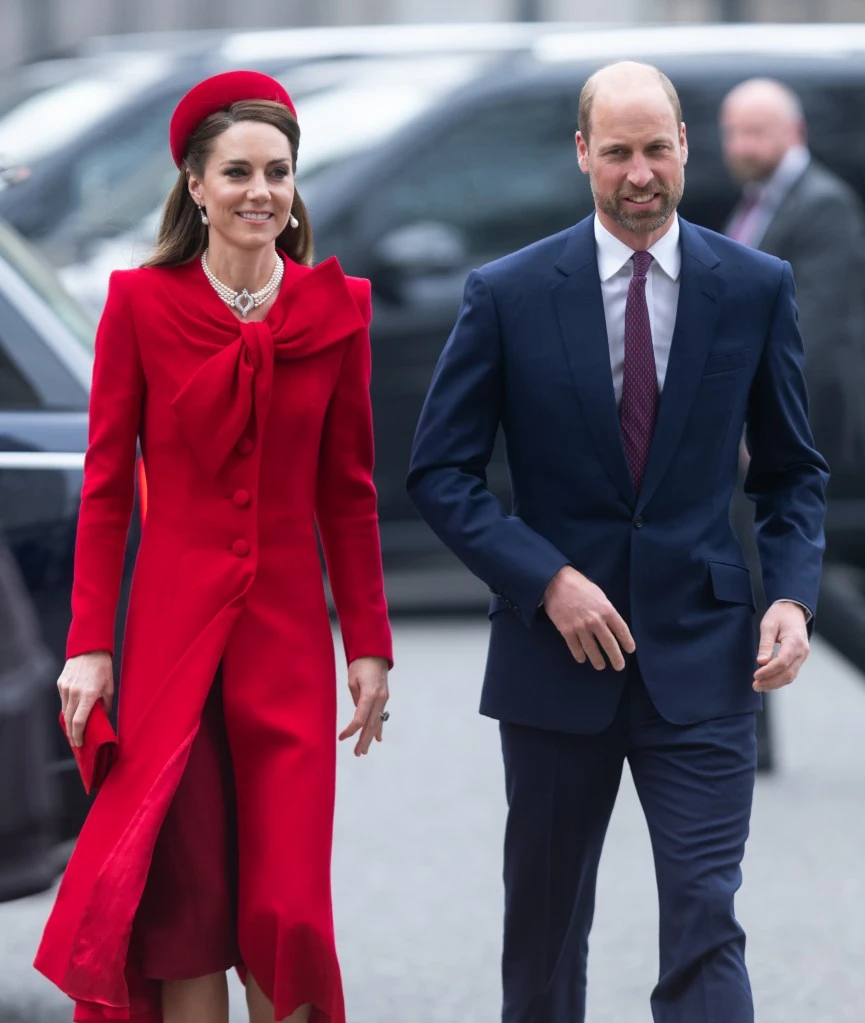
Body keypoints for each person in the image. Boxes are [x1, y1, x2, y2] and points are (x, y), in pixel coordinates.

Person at [407, 61, 828, 1023]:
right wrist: (544, 578)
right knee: (546, 930)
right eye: (616, 153)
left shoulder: (754, 286)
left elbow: (792, 471)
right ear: (581, 156)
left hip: (704, 653)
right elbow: (440, 473)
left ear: (685, 145)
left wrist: (791, 597)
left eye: (655, 149)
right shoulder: (506, 293)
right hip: (554, 659)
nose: (638, 173)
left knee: (704, 917)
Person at [34, 71, 393, 1023]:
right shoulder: (138, 306)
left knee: (286, 906)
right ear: (194, 184)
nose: (259, 192)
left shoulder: (338, 310)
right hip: (168, 646)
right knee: (186, 905)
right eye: (236, 172)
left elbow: (347, 496)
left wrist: (367, 644)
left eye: (277, 172)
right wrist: (87, 645)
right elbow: (107, 491)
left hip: (283, 649)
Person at [721, 77, 865, 488]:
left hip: (804, 424)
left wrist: (766, 420)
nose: (740, 146)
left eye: (756, 132)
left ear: (795, 132)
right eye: (732, 132)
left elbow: (814, 329)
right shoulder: (760, 199)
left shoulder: (823, 203)